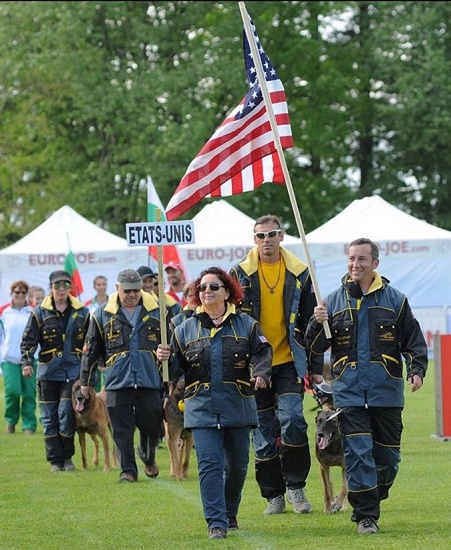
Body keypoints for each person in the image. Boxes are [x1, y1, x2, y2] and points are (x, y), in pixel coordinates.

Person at [305, 237, 428, 535]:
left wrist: (417, 370)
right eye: (351, 258)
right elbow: (314, 345)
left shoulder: (396, 300)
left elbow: (413, 340)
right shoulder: (332, 301)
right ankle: (365, 516)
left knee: (388, 460)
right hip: (348, 393)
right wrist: (315, 322)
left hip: (386, 393)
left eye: (361, 259)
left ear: (375, 263)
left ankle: (371, 498)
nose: (355, 264)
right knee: (358, 453)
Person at [157, 267, 272, 540]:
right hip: (201, 406)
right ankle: (216, 523)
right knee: (209, 464)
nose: (207, 291)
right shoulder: (183, 328)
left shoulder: (247, 324)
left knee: (238, 466)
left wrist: (262, 374)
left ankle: (229, 511)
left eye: (213, 287)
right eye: (202, 288)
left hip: (238, 404)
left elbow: (263, 353)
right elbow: (174, 371)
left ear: (228, 291)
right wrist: (163, 358)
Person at [229, 214, 323, 515]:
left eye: (272, 234)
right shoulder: (239, 274)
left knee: (294, 420)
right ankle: (274, 495)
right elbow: (229, 322)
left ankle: (296, 488)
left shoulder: (300, 272)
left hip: (289, 363)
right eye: (260, 236)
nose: (266, 240)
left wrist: (316, 364)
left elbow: (313, 323)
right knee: (263, 432)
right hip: (254, 366)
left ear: (282, 236)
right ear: (253, 239)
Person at [80, 269, 168, 483]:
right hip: (117, 381)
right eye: (127, 290)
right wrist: (85, 381)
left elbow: (172, 344)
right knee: (121, 429)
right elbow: (91, 350)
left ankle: (147, 456)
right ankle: (128, 470)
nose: (131, 294)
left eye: (136, 290)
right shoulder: (101, 314)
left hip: (149, 379)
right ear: (117, 289)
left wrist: (168, 357)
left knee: (151, 424)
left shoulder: (158, 311)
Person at [21, 270, 90, 471]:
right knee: (49, 416)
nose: (61, 289)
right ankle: (54, 460)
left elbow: (92, 341)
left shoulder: (82, 312)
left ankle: (68, 458)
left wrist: (91, 367)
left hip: (73, 373)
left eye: (65, 285)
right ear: (51, 288)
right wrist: (26, 362)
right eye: (57, 285)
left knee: (66, 414)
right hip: (48, 373)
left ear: (71, 288)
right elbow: (28, 341)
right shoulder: (39, 313)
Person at [0, 280, 37, 434]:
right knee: (13, 391)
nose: (20, 295)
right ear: (12, 294)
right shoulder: (4, 312)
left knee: (29, 393)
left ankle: (29, 424)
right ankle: (11, 420)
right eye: (17, 292)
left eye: (23, 292)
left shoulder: (34, 311)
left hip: (29, 359)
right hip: (9, 359)